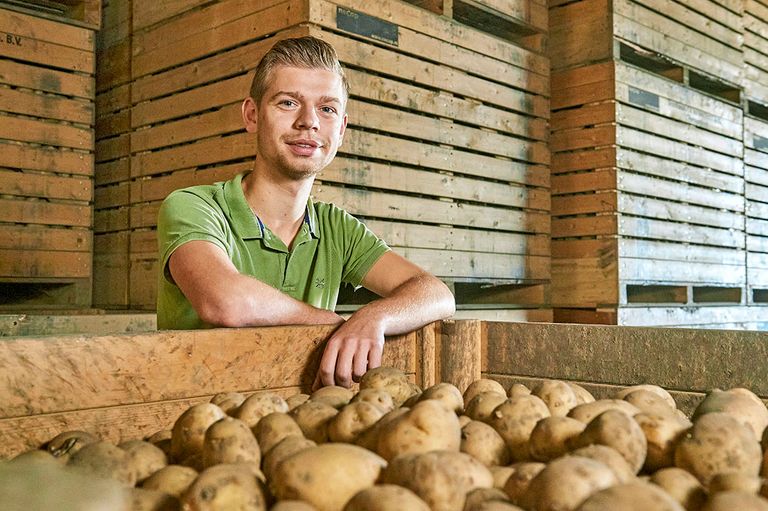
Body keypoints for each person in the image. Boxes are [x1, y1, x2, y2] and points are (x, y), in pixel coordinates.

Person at [156, 36, 455, 389]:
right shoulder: (195, 206)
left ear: (341, 129)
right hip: (193, 419)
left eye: (327, 109)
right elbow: (225, 302)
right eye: (287, 103)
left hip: (301, 423)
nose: (308, 121)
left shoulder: (336, 229)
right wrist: (333, 323)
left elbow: (436, 294)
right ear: (252, 116)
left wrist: (374, 316)